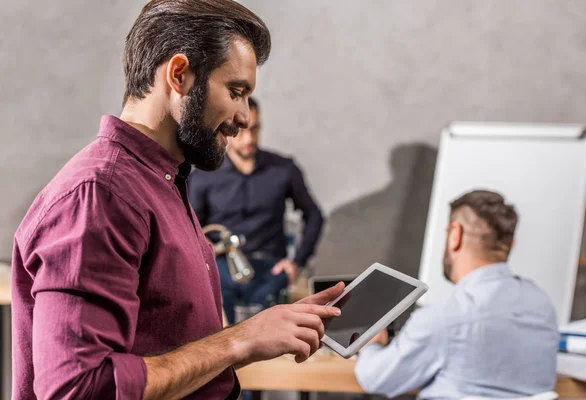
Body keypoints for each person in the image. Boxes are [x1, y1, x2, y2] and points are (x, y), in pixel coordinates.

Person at [11, 1, 344, 399]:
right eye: (236, 92)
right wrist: (236, 341)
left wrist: (264, 330)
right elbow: (79, 389)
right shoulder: (100, 194)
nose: (242, 117)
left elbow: (167, 345)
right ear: (180, 74)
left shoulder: (163, 182)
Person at [355, 190, 559, 399]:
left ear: (455, 235)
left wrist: (372, 346)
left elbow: (375, 379)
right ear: (509, 245)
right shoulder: (541, 305)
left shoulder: (445, 316)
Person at [189, 96, 324, 324]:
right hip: (222, 267)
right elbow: (190, 228)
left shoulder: (283, 169)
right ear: (227, 129)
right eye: (241, 131)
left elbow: (314, 216)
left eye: (256, 129)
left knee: (271, 332)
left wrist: (296, 263)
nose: (249, 138)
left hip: (270, 268)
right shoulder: (203, 177)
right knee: (218, 330)